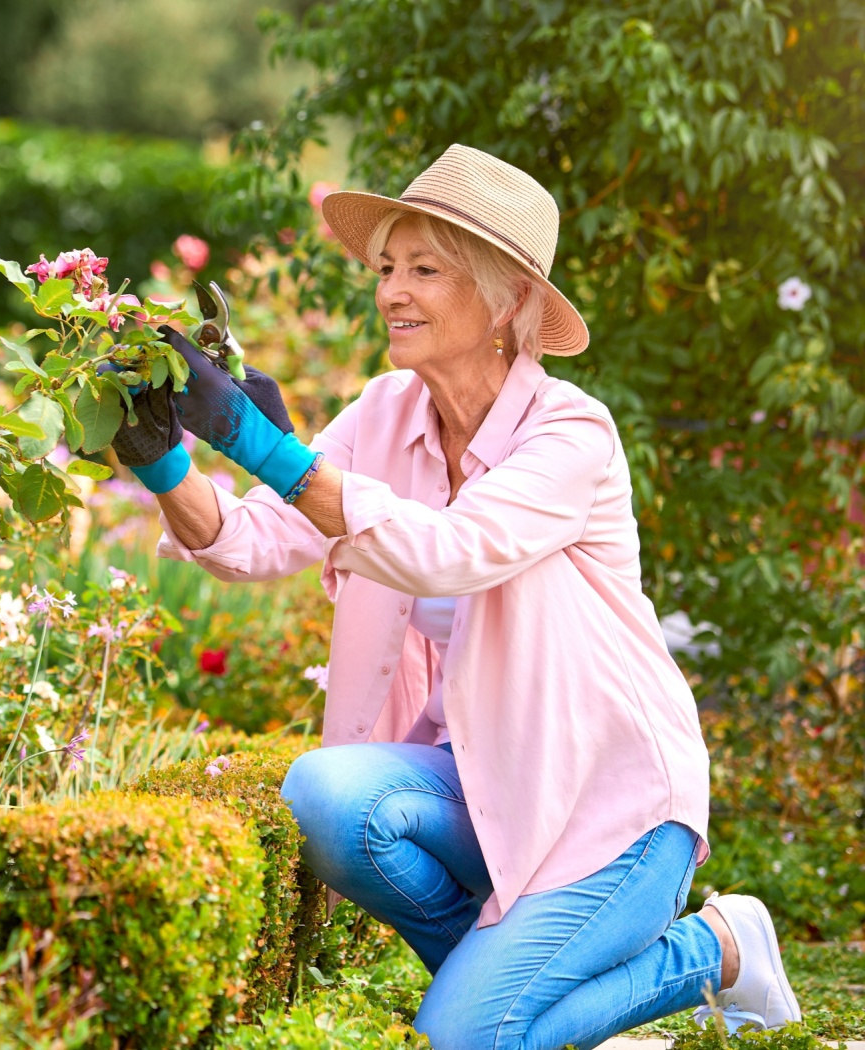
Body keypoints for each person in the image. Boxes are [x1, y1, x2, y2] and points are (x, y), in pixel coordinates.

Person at [110, 145, 802, 1049]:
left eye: (426, 270)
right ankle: (510, 998)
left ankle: (711, 949)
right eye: (388, 267)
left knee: (465, 1040)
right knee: (326, 794)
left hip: (611, 812)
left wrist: (265, 445)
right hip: (485, 794)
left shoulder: (570, 434)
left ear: (509, 298)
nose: (393, 290)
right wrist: (161, 457)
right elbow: (255, 542)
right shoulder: (383, 413)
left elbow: (451, 551)